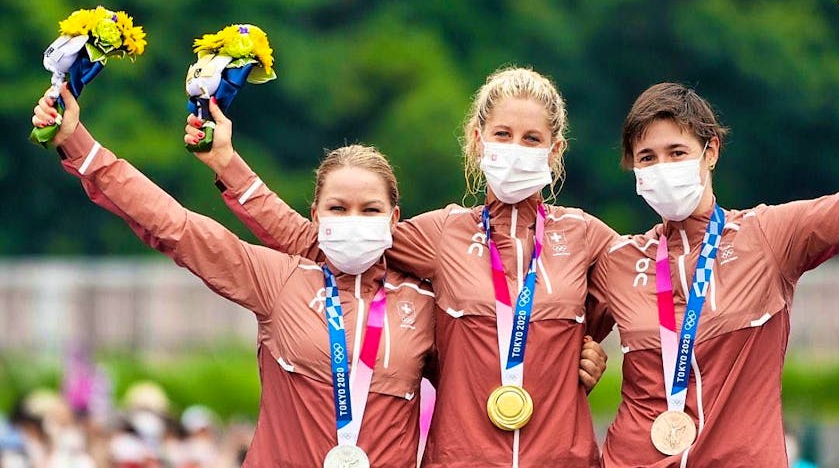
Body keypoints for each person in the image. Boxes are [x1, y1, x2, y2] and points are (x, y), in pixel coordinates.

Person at [185, 68, 617, 466]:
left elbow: (656, 290)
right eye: (502, 134)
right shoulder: (443, 233)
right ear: (477, 139)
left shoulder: (587, 236)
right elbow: (321, 239)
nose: (515, 150)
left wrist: (582, 348)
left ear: (555, 149)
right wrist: (228, 165)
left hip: (563, 458)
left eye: (531, 139)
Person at [588, 13, 839, 466]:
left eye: (677, 153)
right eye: (646, 159)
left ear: (710, 151)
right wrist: (585, 359)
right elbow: (543, 342)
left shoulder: (769, 236)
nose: (661, 169)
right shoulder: (616, 259)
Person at [32, 91, 438, 467]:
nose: (353, 221)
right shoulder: (281, 281)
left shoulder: (423, 305)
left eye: (369, 210)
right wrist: (80, 147)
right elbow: (177, 227)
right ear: (315, 215)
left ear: (394, 219)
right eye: (337, 208)